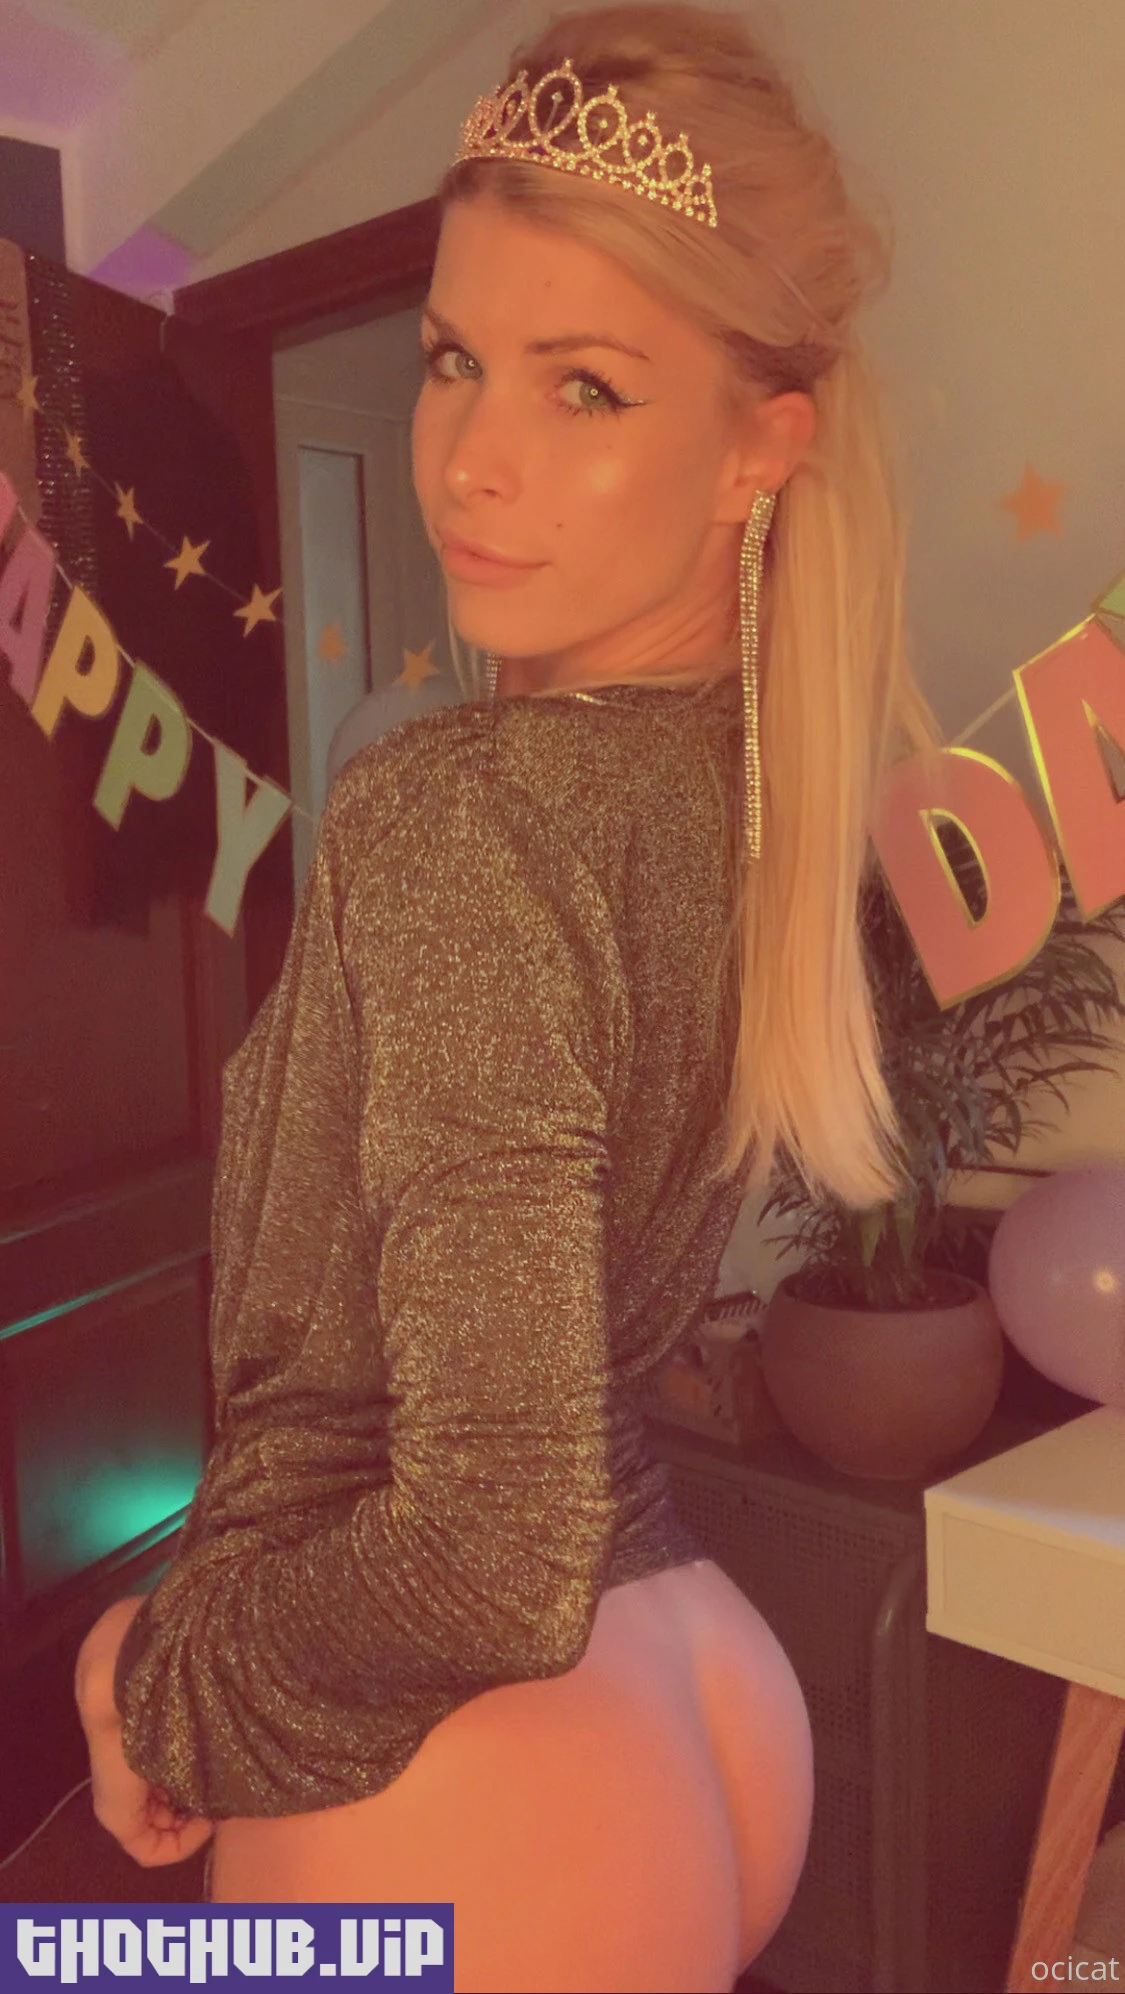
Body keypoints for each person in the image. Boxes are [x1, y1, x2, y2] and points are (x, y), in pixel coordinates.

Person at [74, 6, 945, 1989]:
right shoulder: (744, 799)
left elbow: (491, 1540)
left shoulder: (460, 810)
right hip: (697, 1686)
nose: (471, 454)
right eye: (456, 356)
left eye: (586, 386)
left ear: (761, 445)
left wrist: (161, 1676)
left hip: (461, 1777)